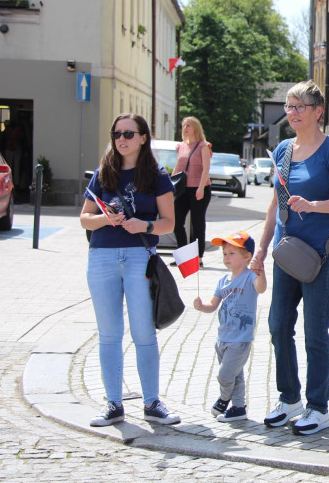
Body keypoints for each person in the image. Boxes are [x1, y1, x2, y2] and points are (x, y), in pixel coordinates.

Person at [251, 81, 329, 435]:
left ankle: (318, 407)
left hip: (318, 255)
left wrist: (313, 206)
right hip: (285, 253)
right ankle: (289, 397)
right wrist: (260, 250)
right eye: (289, 107)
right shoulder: (282, 150)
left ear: (317, 111)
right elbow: (273, 205)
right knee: (278, 325)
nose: (292, 113)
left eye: (299, 107)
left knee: (314, 331)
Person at [81, 113, 180, 427]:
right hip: (102, 257)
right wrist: (105, 219)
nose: (121, 139)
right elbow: (85, 218)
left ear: (142, 138)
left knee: (143, 334)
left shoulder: (157, 176)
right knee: (109, 335)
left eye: (128, 133)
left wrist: (144, 224)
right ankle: (113, 404)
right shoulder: (103, 173)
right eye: (116, 133)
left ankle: (151, 402)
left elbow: (169, 223)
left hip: (140, 257)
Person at [193, 231, 267, 422]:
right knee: (236, 375)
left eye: (232, 253)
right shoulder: (222, 281)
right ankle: (239, 408)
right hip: (223, 338)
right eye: (225, 253)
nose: (226, 257)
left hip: (240, 339)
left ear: (247, 256)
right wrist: (202, 307)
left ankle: (224, 398)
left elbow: (261, 288)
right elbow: (213, 305)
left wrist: (261, 272)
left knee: (224, 375)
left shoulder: (250, 277)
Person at [173, 116, 213, 267]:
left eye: (188, 125)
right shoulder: (181, 146)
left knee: (197, 223)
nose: (185, 128)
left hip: (199, 188)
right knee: (176, 222)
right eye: (183, 125)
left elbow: (206, 169)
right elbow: (178, 168)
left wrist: (201, 187)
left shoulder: (203, 146)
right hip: (183, 189)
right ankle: (184, 257)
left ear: (195, 127)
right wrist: (171, 186)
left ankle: (198, 258)